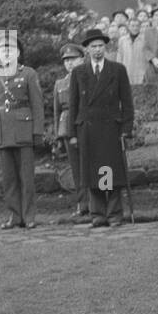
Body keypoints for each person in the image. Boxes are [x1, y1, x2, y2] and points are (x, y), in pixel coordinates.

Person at [70, 28, 134, 228]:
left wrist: (126, 128)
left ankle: (114, 213)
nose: (97, 50)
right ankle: (98, 213)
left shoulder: (117, 70)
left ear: (105, 47)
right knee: (93, 172)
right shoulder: (79, 72)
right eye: (93, 46)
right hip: (88, 129)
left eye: (100, 46)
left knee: (110, 171)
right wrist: (72, 133)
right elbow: (73, 104)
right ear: (87, 49)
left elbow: (127, 102)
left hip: (110, 128)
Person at [0, 36, 45, 229]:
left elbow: (37, 105)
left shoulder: (28, 74)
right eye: (2, 49)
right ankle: (15, 216)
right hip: (1, 130)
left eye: (10, 48)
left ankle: (29, 216)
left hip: (23, 130)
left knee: (26, 178)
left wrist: (38, 132)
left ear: (18, 53)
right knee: (8, 178)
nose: (6, 52)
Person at [53, 41, 88, 220]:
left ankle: (103, 199)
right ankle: (82, 204)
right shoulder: (60, 83)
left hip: (88, 126)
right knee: (76, 169)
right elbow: (57, 110)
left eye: (73, 59)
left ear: (82, 59)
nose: (69, 63)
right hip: (67, 127)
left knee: (97, 166)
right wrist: (57, 136)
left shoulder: (88, 77)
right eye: (66, 60)